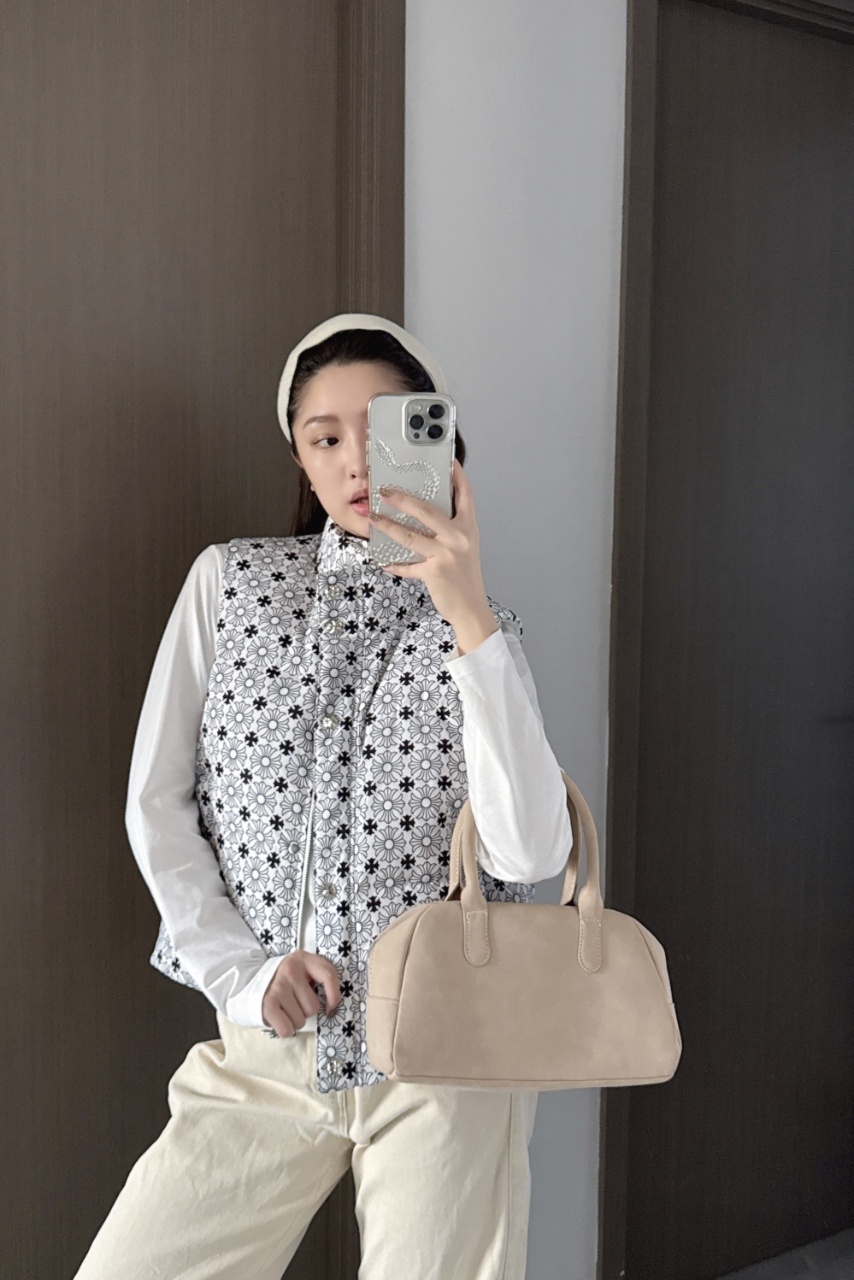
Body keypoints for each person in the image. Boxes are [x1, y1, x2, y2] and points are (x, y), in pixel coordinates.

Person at [73, 313, 574, 1280]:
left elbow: (531, 855)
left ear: (437, 440)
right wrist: (242, 975)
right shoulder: (230, 585)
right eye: (324, 437)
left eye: (381, 429)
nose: (354, 462)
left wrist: (468, 613)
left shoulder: (485, 630)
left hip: (447, 1059)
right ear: (301, 462)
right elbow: (156, 803)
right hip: (266, 1051)